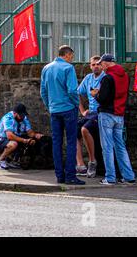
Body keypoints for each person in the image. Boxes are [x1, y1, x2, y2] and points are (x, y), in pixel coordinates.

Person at [40, 45, 85, 185]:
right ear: (66, 55)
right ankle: (70, 175)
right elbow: (72, 90)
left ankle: (59, 175)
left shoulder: (46, 68)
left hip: (54, 110)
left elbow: (43, 91)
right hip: (68, 108)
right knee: (71, 142)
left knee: (56, 142)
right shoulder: (68, 68)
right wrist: (76, 103)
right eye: (71, 56)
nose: (72, 59)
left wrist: (49, 106)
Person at [92, 54, 136, 185]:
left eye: (101, 63)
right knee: (120, 146)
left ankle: (110, 177)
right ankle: (128, 176)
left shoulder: (107, 78)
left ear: (106, 63)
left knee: (107, 147)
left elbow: (103, 98)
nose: (100, 66)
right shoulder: (125, 76)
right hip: (119, 114)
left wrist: (95, 94)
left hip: (107, 114)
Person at [0, 104, 46, 170]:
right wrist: (24, 140)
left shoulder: (24, 118)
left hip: (11, 139)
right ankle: (1, 160)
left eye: (23, 115)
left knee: (29, 140)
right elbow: (10, 136)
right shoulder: (8, 118)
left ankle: (13, 161)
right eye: (21, 115)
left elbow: (30, 133)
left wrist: (36, 135)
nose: (22, 117)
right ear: (15, 113)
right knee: (14, 144)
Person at [76, 55, 105, 178]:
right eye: (93, 64)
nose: (96, 66)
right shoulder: (88, 78)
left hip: (101, 113)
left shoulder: (105, 78)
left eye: (98, 64)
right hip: (90, 113)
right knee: (73, 129)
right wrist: (82, 111)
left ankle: (92, 162)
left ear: (102, 65)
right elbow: (77, 94)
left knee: (85, 129)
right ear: (90, 66)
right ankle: (80, 165)